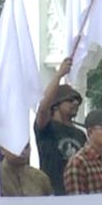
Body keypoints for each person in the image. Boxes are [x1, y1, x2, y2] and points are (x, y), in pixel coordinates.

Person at [35, 58, 86, 196]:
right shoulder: (46, 128)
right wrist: (59, 75)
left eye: (77, 101)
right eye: (70, 100)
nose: (75, 103)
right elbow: (43, 108)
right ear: (56, 104)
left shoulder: (81, 134)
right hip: (53, 194)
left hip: (77, 194)